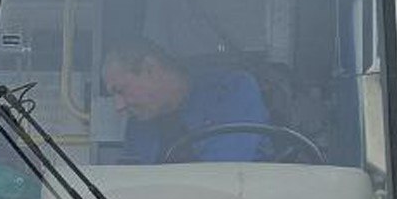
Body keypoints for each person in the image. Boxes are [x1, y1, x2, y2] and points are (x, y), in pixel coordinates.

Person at [101, 38, 270, 164]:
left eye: (120, 91)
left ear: (149, 68)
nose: (119, 106)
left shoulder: (231, 91)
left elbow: (223, 177)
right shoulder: (138, 126)